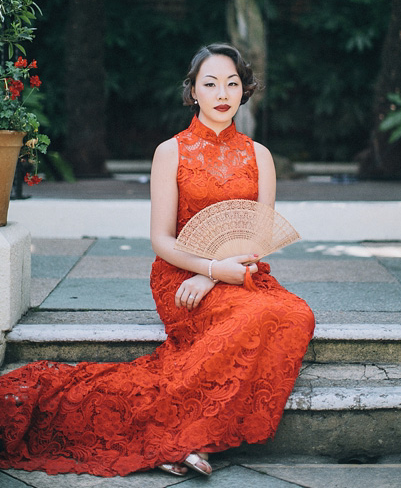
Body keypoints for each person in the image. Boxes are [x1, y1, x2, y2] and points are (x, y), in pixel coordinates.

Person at [0, 43, 316, 477]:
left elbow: (258, 236)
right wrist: (205, 270)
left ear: (245, 91)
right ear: (193, 92)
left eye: (232, 83)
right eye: (210, 84)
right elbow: (161, 240)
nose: (222, 93)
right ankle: (189, 438)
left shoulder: (260, 155)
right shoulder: (172, 151)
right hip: (180, 276)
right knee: (259, 315)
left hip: (239, 271)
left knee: (295, 313)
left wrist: (218, 276)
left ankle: (182, 438)